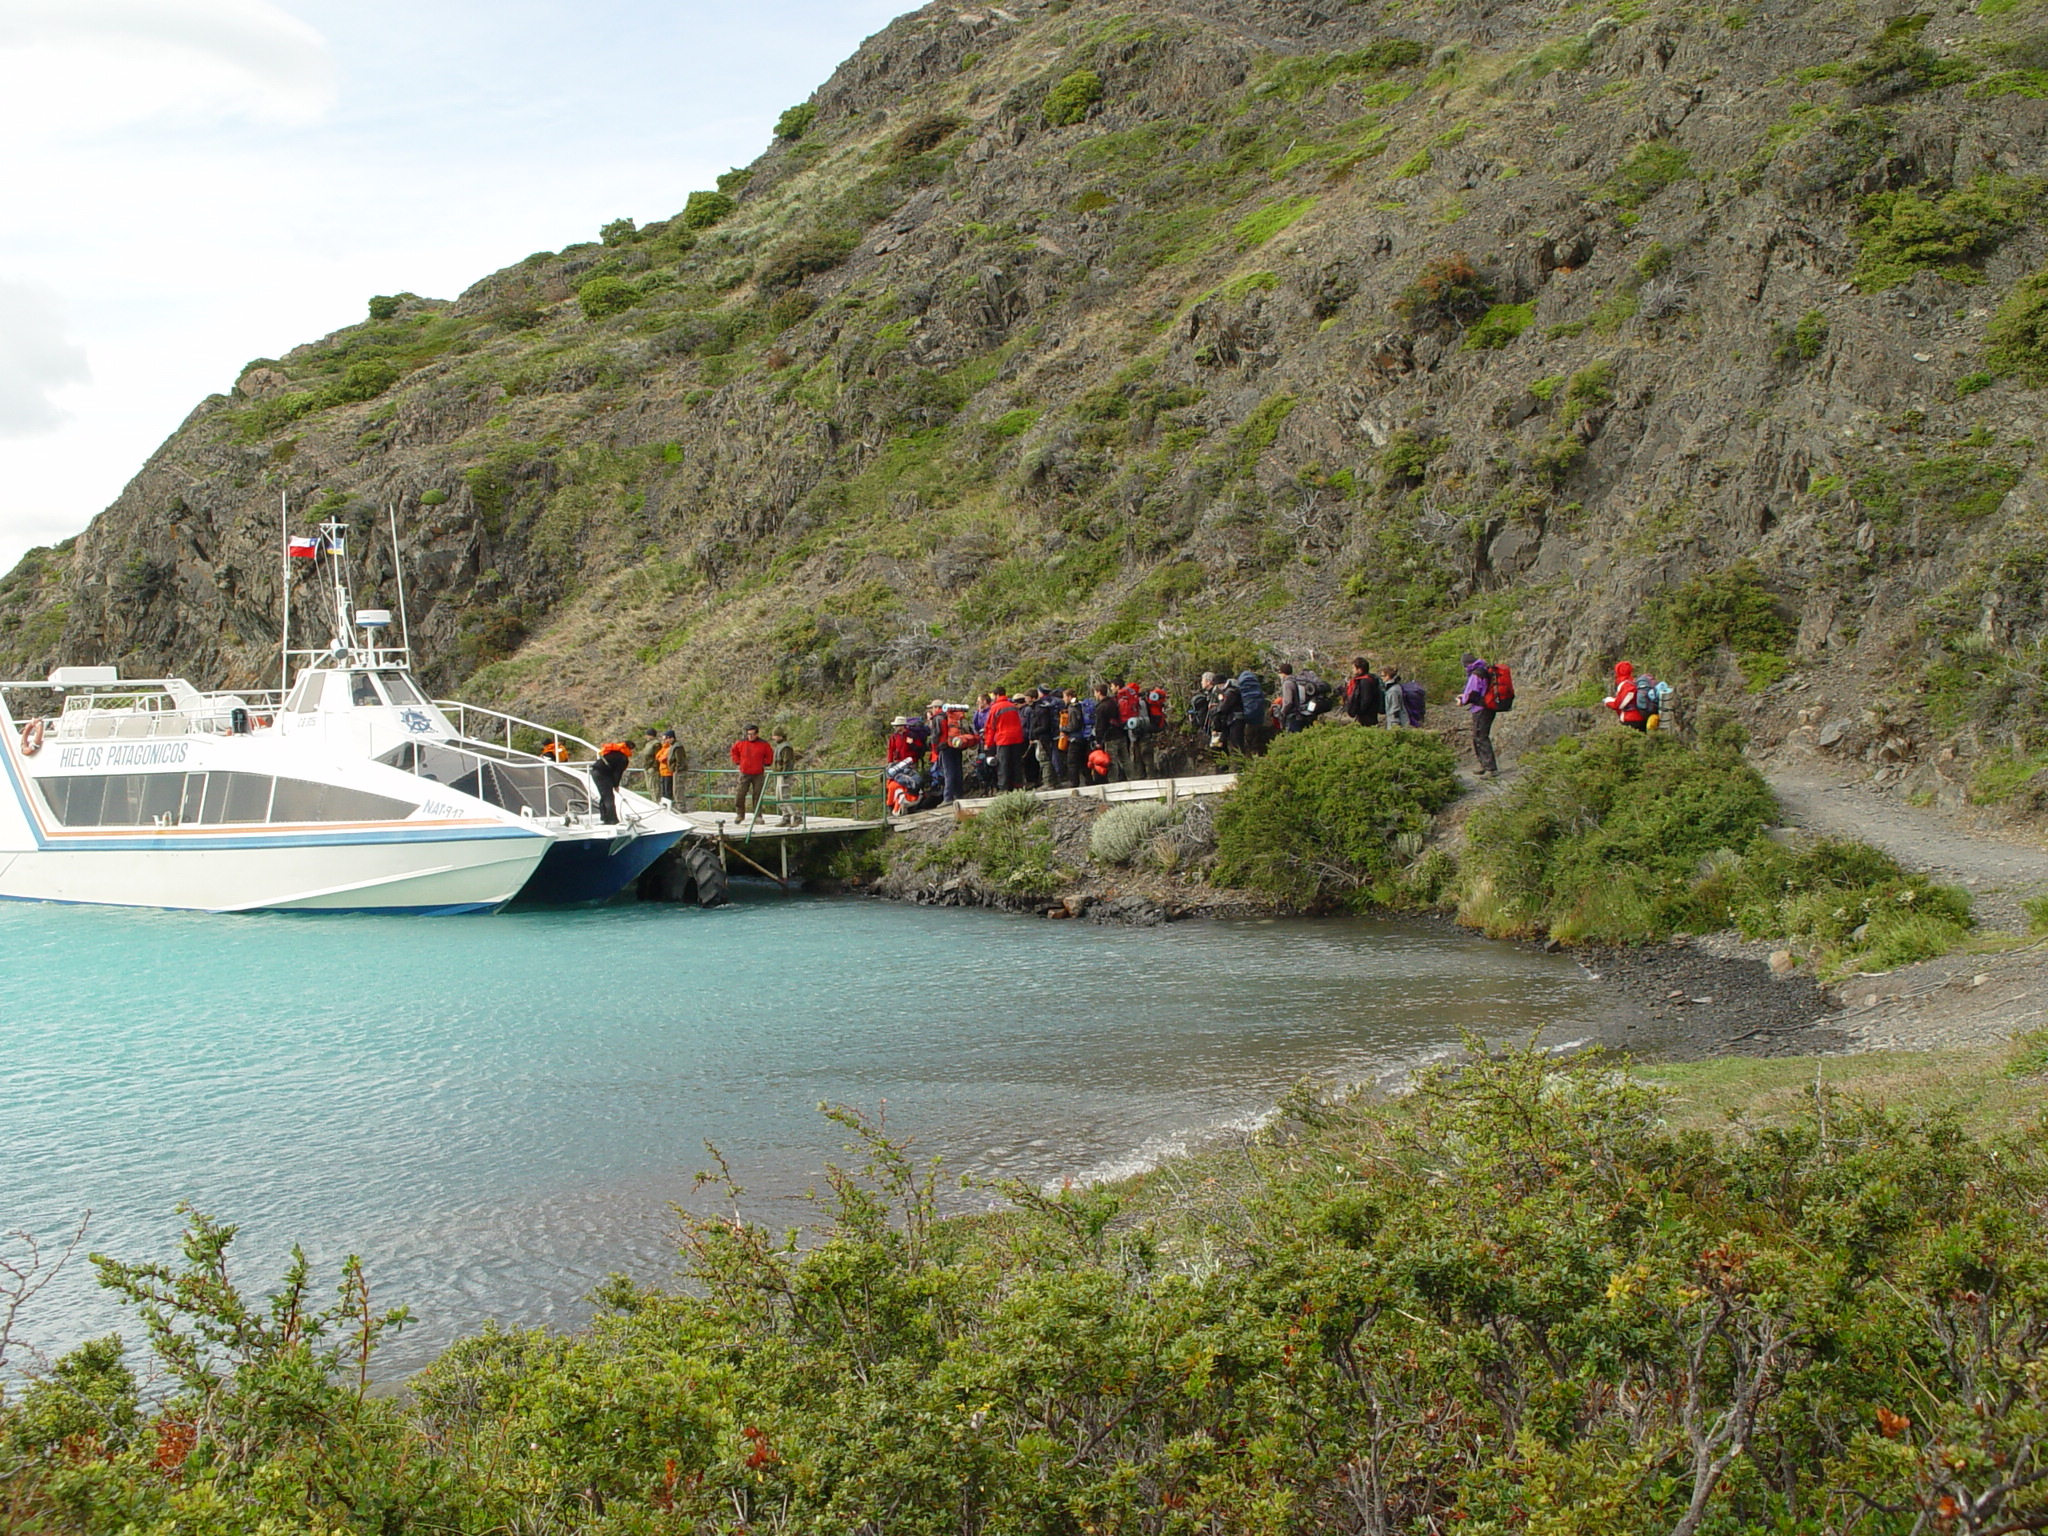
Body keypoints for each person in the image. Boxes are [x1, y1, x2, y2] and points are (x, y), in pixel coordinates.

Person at [1460, 653, 1500, 777]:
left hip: (1481, 709)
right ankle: (1484, 765)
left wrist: (1462, 701)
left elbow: (1473, 693)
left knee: (1481, 737)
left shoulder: (1476, 674)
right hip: (1488, 707)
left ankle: (1490, 769)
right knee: (1479, 736)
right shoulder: (1484, 669)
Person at [985, 689, 1026, 791]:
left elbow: (990, 727)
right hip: (1017, 738)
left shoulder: (995, 708)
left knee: (1003, 764)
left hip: (1003, 739)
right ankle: (1018, 786)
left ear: (997, 695)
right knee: (1016, 763)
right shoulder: (1012, 706)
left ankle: (1004, 788)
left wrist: (988, 743)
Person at [730, 724, 774, 818]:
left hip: (758, 773)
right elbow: (734, 752)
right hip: (744, 773)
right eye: (748, 734)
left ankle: (758, 815)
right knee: (740, 794)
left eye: (752, 734)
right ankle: (740, 814)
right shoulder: (740, 743)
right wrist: (738, 761)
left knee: (757, 795)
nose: (750, 736)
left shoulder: (764, 744)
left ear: (757, 734)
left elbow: (769, 754)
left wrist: (766, 763)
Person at [929, 700, 967, 805]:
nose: (932, 710)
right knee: (958, 770)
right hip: (956, 744)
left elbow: (936, 735)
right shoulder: (951, 715)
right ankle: (959, 794)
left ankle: (948, 797)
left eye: (933, 707)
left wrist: (935, 748)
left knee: (948, 772)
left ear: (937, 707)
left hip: (945, 747)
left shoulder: (938, 718)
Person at [590, 738, 634, 825]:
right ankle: (612, 820)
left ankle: (605, 817)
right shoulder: (623, 758)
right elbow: (618, 773)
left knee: (604, 795)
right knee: (609, 797)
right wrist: (616, 785)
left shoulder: (614, 753)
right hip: (602, 774)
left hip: (597, 771)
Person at [1097, 684, 1130, 781]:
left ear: (1099, 692)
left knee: (1112, 761)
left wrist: (1099, 740)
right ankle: (1132, 777)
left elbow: (1100, 726)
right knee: (1126, 759)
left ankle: (1113, 781)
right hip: (1121, 734)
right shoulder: (1114, 702)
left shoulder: (1101, 707)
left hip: (1110, 737)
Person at [1058, 687, 1090, 788]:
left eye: (1064, 697)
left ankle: (1074, 783)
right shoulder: (1080, 705)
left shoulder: (1072, 708)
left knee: (1071, 761)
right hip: (1083, 738)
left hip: (1075, 739)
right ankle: (1089, 780)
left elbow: (1074, 725)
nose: (1063, 699)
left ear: (1069, 697)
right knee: (1083, 761)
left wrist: (1063, 728)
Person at [770, 727, 802, 824]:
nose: (773, 738)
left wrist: (785, 774)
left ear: (780, 736)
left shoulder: (786, 747)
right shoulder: (780, 746)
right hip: (779, 774)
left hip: (784, 775)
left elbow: (788, 762)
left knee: (785, 796)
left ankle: (796, 816)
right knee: (779, 797)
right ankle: (786, 816)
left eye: (775, 736)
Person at [1605, 661, 1648, 731]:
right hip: (1642, 718)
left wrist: (1607, 701)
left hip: (1631, 719)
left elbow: (1619, 704)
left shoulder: (1626, 685)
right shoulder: (1634, 682)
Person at [1213, 673, 1245, 756]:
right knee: (1234, 743)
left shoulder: (1230, 692)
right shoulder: (1232, 690)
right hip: (1234, 719)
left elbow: (1224, 707)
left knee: (1236, 744)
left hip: (1235, 720)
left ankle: (1239, 761)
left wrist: (1216, 709)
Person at [1344, 657, 1382, 727]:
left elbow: (1366, 699)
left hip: (1367, 715)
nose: (1352, 670)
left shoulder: (1366, 681)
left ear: (1359, 669)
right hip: (1367, 714)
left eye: (1353, 668)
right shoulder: (1367, 679)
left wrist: (1359, 711)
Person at [1276, 663, 1305, 733]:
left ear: (1283, 673)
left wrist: (1282, 713)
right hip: (1298, 714)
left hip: (1291, 716)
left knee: (1291, 735)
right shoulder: (1295, 681)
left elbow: (1288, 702)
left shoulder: (1287, 683)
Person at [654, 729, 679, 804]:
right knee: (663, 790)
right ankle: (664, 803)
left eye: (665, 739)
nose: (664, 741)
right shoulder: (664, 748)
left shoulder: (669, 748)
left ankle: (669, 804)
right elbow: (657, 756)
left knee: (668, 790)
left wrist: (660, 758)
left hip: (668, 771)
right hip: (662, 771)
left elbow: (662, 758)